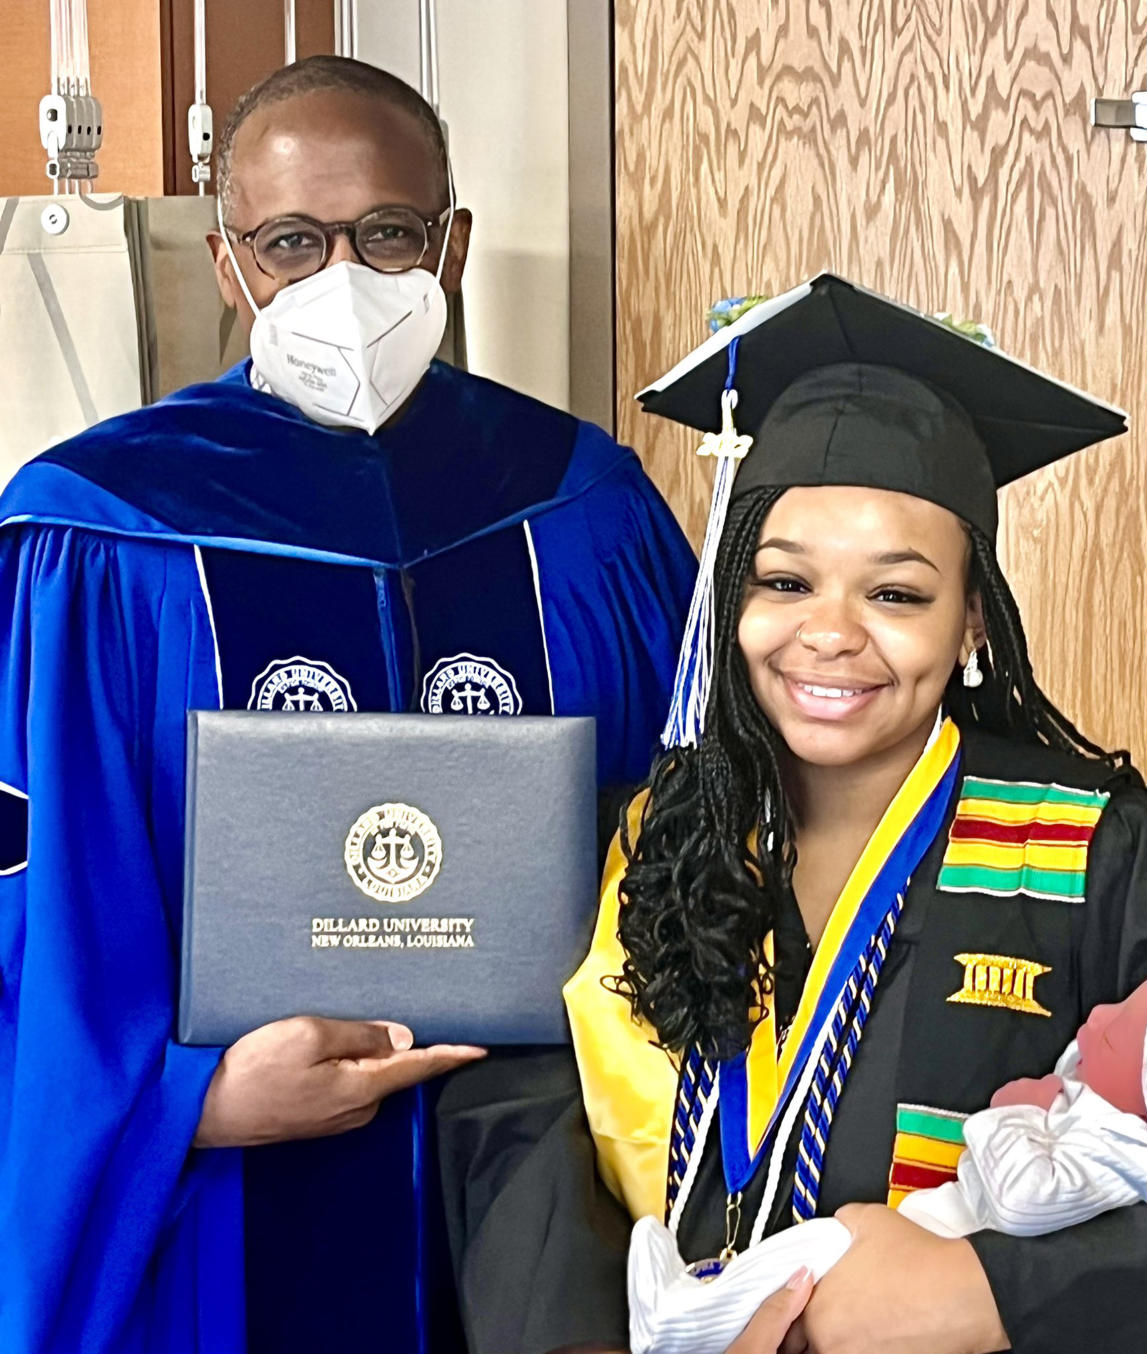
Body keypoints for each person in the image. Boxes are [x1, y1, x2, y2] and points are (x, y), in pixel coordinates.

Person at [0, 55, 694, 1354]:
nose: (342, 280)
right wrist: (186, 1101)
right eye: (290, 243)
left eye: (386, 234)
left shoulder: (584, 507)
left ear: (452, 243)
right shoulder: (94, 532)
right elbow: (40, 908)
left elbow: (694, 838)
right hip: (221, 1206)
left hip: (552, 1179)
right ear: (227, 262)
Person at [439, 274, 1147, 1354]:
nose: (829, 634)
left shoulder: (1107, 851)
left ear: (974, 628)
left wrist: (996, 1293)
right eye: (784, 582)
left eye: (897, 594)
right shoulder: (637, 842)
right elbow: (519, 1117)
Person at [629, 959, 1147, 1354]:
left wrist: (1017, 1112)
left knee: (809, 1260)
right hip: (914, 1238)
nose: (1099, 1014)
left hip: (924, 1246)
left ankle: (681, 1316)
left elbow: (1020, 1196)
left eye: (1113, 1031)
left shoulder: (1125, 1149)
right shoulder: (1123, 1113)